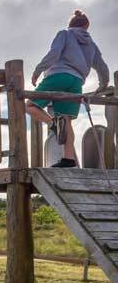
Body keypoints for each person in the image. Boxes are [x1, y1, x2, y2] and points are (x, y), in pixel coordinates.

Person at [29, 10, 110, 168]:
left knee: (29, 105)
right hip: (77, 81)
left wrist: (37, 71)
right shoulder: (91, 45)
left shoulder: (64, 34)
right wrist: (103, 85)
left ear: (70, 25)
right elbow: (102, 67)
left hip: (58, 75)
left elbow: (54, 53)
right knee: (66, 120)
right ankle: (68, 159)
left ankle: (53, 123)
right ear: (87, 26)